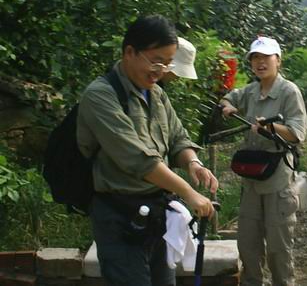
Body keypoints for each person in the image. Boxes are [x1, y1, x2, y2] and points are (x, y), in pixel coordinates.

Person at [77, 15, 218, 286]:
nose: (161, 71)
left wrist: (193, 163)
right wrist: (188, 193)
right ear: (130, 52)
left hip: (156, 214)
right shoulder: (101, 96)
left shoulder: (155, 93)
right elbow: (138, 159)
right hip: (119, 217)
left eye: (167, 63)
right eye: (156, 61)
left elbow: (178, 138)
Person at [220, 36, 307, 286]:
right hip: (251, 178)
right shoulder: (250, 90)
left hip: (277, 179)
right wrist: (227, 106)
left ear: (278, 60)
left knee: (279, 247)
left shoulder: (289, 91)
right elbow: (228, 98)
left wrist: (271, 126)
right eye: (255, 58)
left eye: (266, 57)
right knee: (248, 244)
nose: (260, 63)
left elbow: (297, 133)